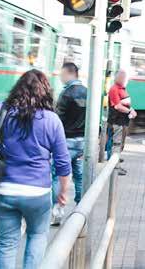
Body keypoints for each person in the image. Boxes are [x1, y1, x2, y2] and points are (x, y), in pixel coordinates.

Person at [0, 70, 71, 269]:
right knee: (37, 236)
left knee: (7, 243)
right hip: (37, 193)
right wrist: (63, 191)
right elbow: (63, 162)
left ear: (17, 89)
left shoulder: (0, 110)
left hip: (2, 190)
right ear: (45, 92)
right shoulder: (52, 120)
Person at [51, 62, 87, 225]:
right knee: (79, 175)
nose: (60, 77)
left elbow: (57, 119)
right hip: (82, 142)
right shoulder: (87, 92)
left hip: (66, 141)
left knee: (57, 175)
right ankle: (81, 208)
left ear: (69, 73)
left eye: (62, 74)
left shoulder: (66, 94)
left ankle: (57, 211)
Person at [107, 70, 137, 176]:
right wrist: (130, 111)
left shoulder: (121, 88)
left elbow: (125, 103)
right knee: (117, 144)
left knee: (120, 144)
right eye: (122, 77)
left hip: (122, 121)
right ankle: (115, 167)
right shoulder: (114, 89)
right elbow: (117, 106)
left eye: (125, 77)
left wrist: (131, 109)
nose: (124, 79)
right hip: (117, 122)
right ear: (117, 77)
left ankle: (116, 161)